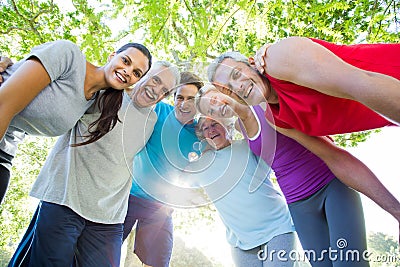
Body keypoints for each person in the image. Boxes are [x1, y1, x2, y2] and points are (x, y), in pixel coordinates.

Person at [8, 61, 180, 267]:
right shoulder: (107, 92)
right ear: (142, 74)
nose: (156, 91)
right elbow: (56, 81)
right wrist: (12, 68)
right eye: (156, 80)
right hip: (66, 200)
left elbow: (190, 117)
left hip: (108, 217)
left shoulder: (154, 118)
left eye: (165, 91)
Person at [196, 84, 374, 266]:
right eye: (210, 110)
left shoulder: (259, 108)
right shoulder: (239, 131)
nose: (216, 109)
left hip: (322, 187)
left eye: (215, 100)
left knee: (350, 261)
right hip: (295, 204)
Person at [0, 40, 152, 204]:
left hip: (5, 152)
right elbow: (5, 104)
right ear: (112, 56)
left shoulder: (94, 104)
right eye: (125, 61)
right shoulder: (68, 56)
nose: (128, 71)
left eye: (136, 73)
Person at [208, 37, 400, 136]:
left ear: (252, 63)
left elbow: (362, 83)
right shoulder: (276, 120)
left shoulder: (277, 58)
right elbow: (336, 159)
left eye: (236, 74)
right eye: (229, 90)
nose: (238, 87)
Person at [184, 115, 297, 267]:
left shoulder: (247, 146)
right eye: (205, 128)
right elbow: (176, 176)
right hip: (240, 241)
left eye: (215, 123)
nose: (211, 130)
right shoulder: (201, 165)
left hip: (276, 228)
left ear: (227, 125)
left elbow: (261, 130)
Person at [123, 71, 203, 267]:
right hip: (129, 196)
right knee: (101, 250)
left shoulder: (202, 133)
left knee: (159, 261)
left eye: (191, 99)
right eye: (180, 97)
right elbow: (130, 96)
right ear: (173, 97)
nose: (184, 104)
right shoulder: (158, 110)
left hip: (159, 207)